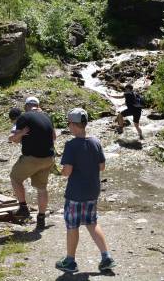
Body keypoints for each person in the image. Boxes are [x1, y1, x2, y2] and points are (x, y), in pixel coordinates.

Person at [56, 108, 116, 274]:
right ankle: (106, 257)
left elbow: (67, 171)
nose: (68, 126)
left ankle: (70, 261)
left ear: (74, 125)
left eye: (69, 123)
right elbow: (102, 166)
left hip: (75, 193)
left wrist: (60, 172)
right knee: (91, 222)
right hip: (92, 190)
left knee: (72, 225)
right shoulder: (95, 141)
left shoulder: (71, 145)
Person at [9, 96, 56, 230]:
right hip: (48, 159)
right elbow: (54, 137)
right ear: (38, 105)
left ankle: (23, 207)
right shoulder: (47, 116)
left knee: (15, 178)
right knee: (41, 188)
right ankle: (41, 218)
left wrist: (22, 134)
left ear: (26, 106)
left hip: (31, 158)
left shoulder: (24, 117)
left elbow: (16, 139)